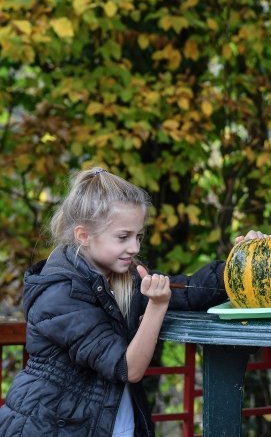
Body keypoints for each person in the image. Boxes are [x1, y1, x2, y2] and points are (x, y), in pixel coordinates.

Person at [0, 168, 237, 437]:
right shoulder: (59, 294)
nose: (135, 248)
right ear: (83, 235)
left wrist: (240, 263)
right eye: (123, 237)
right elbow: (128, 367)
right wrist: (156, 307)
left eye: (138, 236)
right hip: (49, 429)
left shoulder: (124, 278)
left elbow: (188, 291)